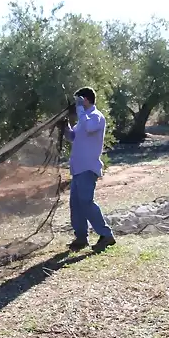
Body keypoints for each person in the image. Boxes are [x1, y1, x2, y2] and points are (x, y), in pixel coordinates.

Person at [62, 87, 116, 253]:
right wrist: (66, 127)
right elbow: (73, 137)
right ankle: (81, 237)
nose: (76, 104)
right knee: (76, 205)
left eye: (79, 100)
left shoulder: (96, 117)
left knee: (86, 202)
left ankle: (106, 235)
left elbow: (89, 129)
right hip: (77, 168)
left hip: (88, 167)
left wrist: (79, 110)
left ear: (85, 99)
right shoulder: (83, 119)